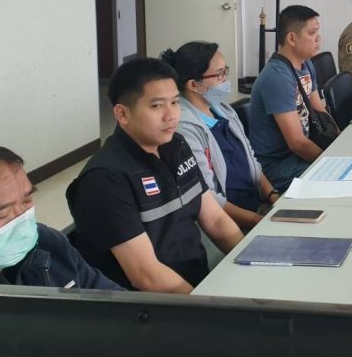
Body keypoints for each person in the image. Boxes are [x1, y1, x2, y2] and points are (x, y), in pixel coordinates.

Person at [67, 58, 244, 292]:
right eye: (157, 106)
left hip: (197, 284)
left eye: (175, 102)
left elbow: (216, 220)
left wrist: (252, 263)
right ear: (122, 114)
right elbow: (146, 276)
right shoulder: (104, 179)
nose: (171, 115)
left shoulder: (176, 145)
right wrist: (207, 307)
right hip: (152, 305)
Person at [0, 144, 121, 289]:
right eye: (2, 214)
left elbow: (111, 297)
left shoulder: (48, 242)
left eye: (27, 200)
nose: (22, 220)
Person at [163, 41, 279, 231]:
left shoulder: (223, 111)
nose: (226, 79)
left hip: (257, 207)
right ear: (194, 85)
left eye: (226, 71)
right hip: (230, 222)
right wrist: (258, 221)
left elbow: (252, 162)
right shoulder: (184, 130)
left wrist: (273, 197)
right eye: (220, 74)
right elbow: (210, 199)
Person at [250, 5, 333, 190]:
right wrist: (331, 161)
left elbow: (320, 111)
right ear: (292, 39)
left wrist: (339, 143)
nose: (318, 38)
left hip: (302, 152)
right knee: (338, 180)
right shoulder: (277, 77)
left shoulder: (306, 64)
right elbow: (296, 143)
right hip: (279, 165)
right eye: (312, 33)